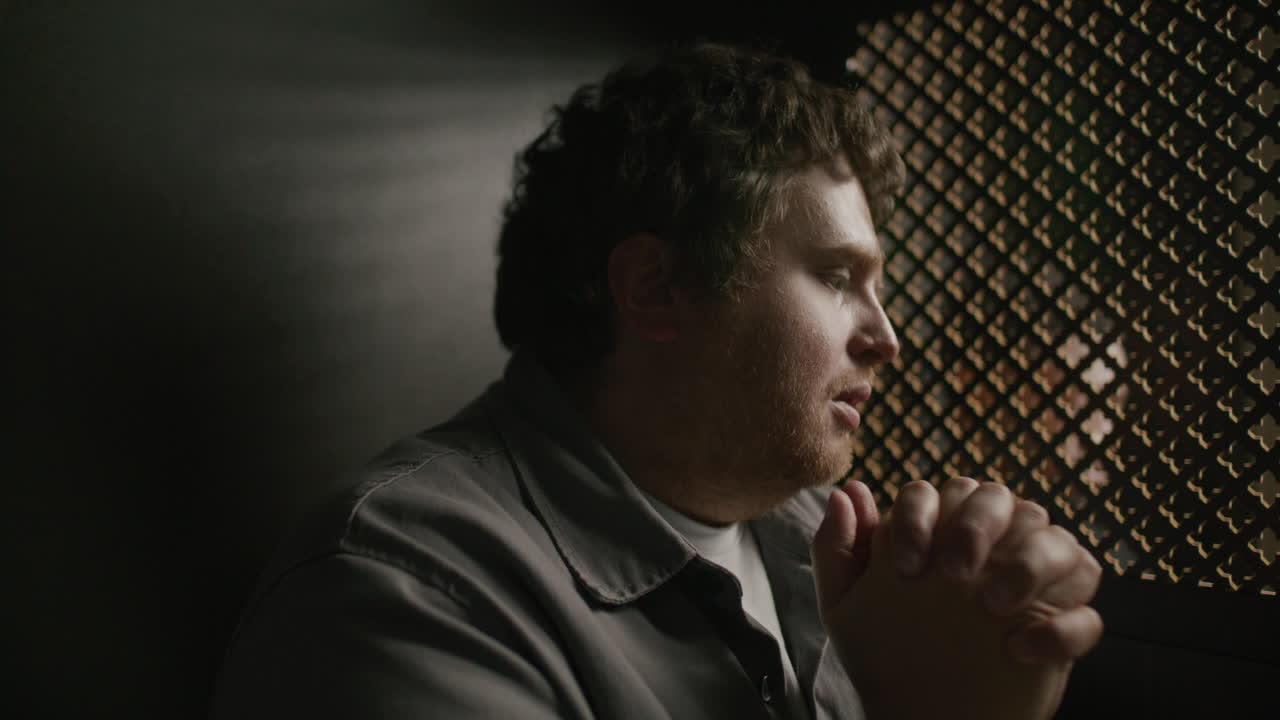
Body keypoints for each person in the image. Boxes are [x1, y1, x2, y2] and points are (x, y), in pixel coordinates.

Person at [211, 43, 1103, 719]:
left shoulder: (839, 556)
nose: (888, 338)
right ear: (655, 289)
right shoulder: (400, 590)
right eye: (837, 276)